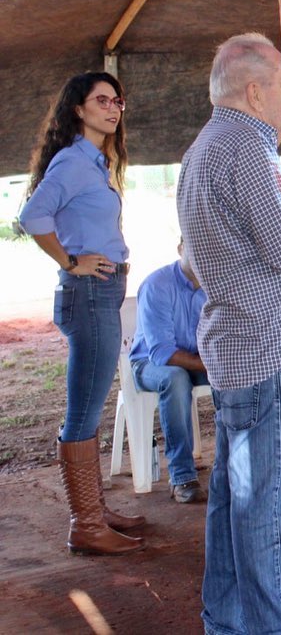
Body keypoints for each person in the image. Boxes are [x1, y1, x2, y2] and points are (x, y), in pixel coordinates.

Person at [177, 33, 281, 634]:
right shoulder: (246, 149)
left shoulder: (205, 149)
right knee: (272, 520)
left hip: (244, 349)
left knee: (236, 511)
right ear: (254, 92)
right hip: (271, 354)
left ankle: (224, 627)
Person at [19, 72, 145, 556]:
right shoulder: (73, 163)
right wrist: (71, 261)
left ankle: (94, 510)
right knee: (84, 409)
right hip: (88, 291)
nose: (113, 108)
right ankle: (86, 524)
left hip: (102, 292)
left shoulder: (94, 163)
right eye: (101, 100)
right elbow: (32, 217)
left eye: (117, 100)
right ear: (78, 108)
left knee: (90, 404)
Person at [128, 239, 208, 503]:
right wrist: (213, 364)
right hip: (149, 364)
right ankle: (182, 475)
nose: (202, 256)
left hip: (197, 360)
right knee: (175, 378)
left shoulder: (217, 284)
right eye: (195, 247)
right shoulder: (157, 285)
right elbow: (162, 354)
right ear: (181, 248)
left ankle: (237, 465)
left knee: (238, 376)